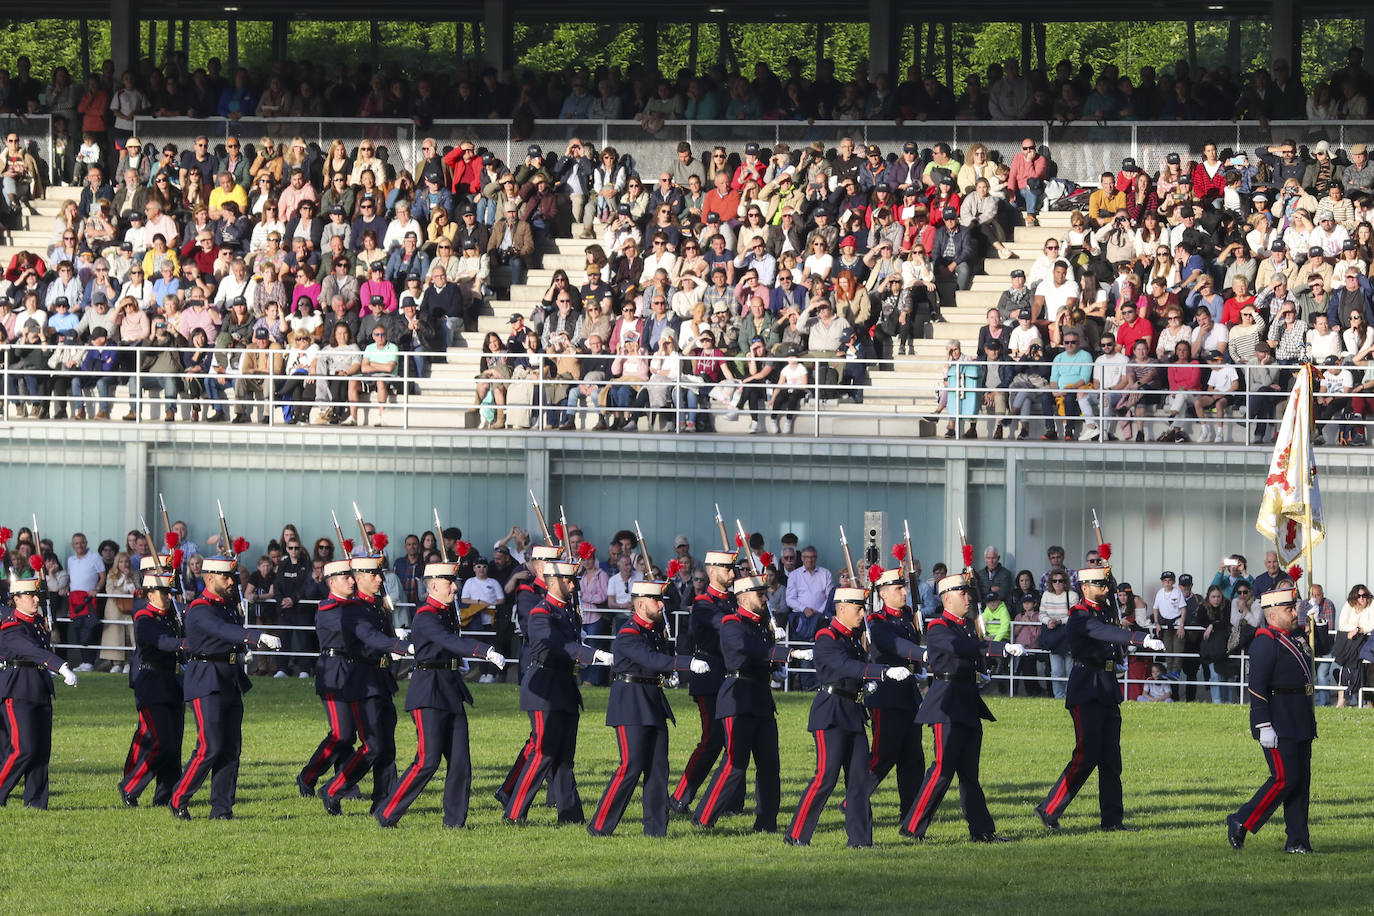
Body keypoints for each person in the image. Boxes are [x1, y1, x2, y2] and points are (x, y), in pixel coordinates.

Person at [375, 560, 505, 829]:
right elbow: (450, 642)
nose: (455, 588)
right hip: (429, 691)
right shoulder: (426, 616)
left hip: (450, 689)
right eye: (450, 583)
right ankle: (387, 812)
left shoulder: (446, 612)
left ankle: (455, 821)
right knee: (427, 760)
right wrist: (484, 651)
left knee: (460, 761)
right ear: (434, 586)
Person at [1035, 566, 1163, 832]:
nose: (1106, 589)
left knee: (1111, 759)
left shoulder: (1105, 611)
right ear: (1084, 587)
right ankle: (1049, 808)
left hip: (1106, 686)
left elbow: (1111, 633)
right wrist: (1139, 639)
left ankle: (1112, 820)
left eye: (1107, 585)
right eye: (1100, 585)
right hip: (1086, 687)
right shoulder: (1080, 615)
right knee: (1086, 754)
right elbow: (1104, 633)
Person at [785, 582, 911, 848]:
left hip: (853, 712)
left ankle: (861, 839)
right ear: (841, 609)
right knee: (825, 777)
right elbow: (844, 665)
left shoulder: (852, 638)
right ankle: (796, 834)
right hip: (830, 712)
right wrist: (881, 671)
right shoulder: (826, 637)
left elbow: (859, 666)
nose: (863, 613)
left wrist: (871, 681)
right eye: (858, 608)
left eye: (864, 608)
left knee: (859, 779)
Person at [899, 573, 1022, 842]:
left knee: (969, 773)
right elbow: (962, 647)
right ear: (946, 599)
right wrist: (997, 647)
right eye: (962, 594)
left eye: (968, 593)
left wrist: (983, 667)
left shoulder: (966, 626)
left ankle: (982, 830)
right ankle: (912, 826)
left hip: (966, 700)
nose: (968, 597)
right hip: (947, 702)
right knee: (942, 769)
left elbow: (970, 648)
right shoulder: (938, 628)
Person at [587, 580, 704, 838]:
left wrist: (669, 671)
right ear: (640, 604)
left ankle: (656, 829)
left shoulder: (653, 630)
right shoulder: (628, 633)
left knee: (659, 767)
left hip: (652, 700)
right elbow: (651, 659)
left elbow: (657, 662)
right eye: (656, 601)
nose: (661, 605)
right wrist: (685, 664)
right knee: (631, 766)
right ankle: (600, 825)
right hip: (630, 702)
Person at [692, 572, 807, 833]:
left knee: (769, 765)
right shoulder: (733, 623)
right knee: (735, 763)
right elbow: (749, 649)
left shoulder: (761, 624)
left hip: (761, 699)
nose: (765, 599)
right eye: (760, 595)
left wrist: (774, 665)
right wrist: (785, 653)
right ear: (743, 599)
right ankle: (704, 817)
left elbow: (763, 654)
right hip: (738, 698)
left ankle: (766, 822)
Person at [169, 554, 281, 820]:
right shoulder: (200, 608)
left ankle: (222, 808)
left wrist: (244, 648)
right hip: (207, 678)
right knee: (210, 746)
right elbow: (221, 630)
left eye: (232, 576)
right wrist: (255, 637)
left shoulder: (226, 605)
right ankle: (178, 797)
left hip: (229, 677)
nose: (232, 582)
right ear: (209, 578)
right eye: (225, 577)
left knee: (230, 748)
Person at [504, 559, 612, 825]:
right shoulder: (541, 613)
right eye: (568, 580)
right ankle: (515, 812)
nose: (573, 585)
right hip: (544, 688)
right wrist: (592, 654)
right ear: (554, 582)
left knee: (565, 756)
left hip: (564, 686)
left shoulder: (567, 611)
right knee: (543, 752)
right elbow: (558, 644)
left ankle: (570, 815)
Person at [318, 549, 414, 817]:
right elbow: (369, 636)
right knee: (372, 745)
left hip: (381, 678)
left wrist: (397, 638)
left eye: (378, 574)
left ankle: (382, 800)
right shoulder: (351, 609)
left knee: (387, 747)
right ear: (358, 578)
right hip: (362, 680)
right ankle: (334, 788)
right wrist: (399, 645)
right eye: (373, 574)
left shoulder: (375, 604)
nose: (379, 579)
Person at [1227, 587, 1316, 854]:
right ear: (1273, 613)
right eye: (1290, 609)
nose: (1294, 613)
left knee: (1300, 782)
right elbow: (1257, 685)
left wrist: (1315, 623)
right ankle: (1241, 820)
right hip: (1278, 718)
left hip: (1299, 717)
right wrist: (1263, 724)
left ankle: (1298, 841)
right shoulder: (1265, 640)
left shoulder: (1293, 637)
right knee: (1283, 779)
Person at [669, 547, 741, 815]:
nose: (731, 574)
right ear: (712, 571)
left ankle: (732, 802)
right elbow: (722, 625)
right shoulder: (702, 603)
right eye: (726, 568)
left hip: (733, 677)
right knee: (712, 740)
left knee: (736, 742)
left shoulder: (735, 601)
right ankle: (680, 796)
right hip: (710, 675)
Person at [0, 578, 79, 809]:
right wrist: (60, 666)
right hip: (18, 690)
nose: (36, 600)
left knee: (42, 751)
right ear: (16, 600)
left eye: (37, 596)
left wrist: (48, 670)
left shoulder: (35, 623)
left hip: (39, 687)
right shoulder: (10, 625)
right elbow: (30, 651)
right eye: (30, 596)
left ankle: (36, 802)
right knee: (23, 749)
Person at [117, 569, 184, 808]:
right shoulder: (145, 618)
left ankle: (167, 794)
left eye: (170, 592)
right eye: (163, 592)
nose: (168, 597)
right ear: (149, 594)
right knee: (160, 742)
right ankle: (130, 786)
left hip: (173, 683)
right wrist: (185, 643)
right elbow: (163, 643)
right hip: (152, 683)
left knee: (174, 745)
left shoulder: (170, 616)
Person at [865, 565, 927, 818]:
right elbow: (896, 645)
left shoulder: (908, 616)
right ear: (883, 594)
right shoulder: (876, 621)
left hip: (908, 695)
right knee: (883, 756)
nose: (904, 592)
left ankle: (909, 814)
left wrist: (918, 665)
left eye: (903, 587)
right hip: (886, 695)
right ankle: (854, 800)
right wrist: (922, 654)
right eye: (898, 588)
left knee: (913, 759)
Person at [296, 558, 361, 798]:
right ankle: (308, 776)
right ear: (332, 582)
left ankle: (344, 783)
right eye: (346, 578)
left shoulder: (354, 606)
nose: (352, 581)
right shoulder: (327, 607)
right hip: (334, 672)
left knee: (350, 732)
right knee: (341, 733)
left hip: (353, 671)